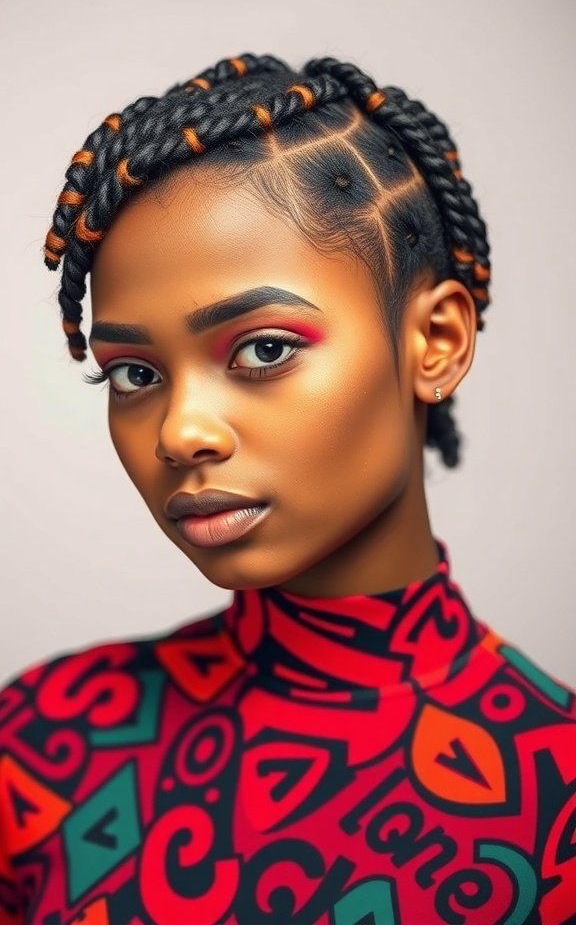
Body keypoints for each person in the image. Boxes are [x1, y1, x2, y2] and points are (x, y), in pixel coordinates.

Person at [0, 53, 574, 925]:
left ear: (436, 342)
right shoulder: (41, 742)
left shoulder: (556, 799)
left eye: (262, 348)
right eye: (133, 373)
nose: (181, 432)